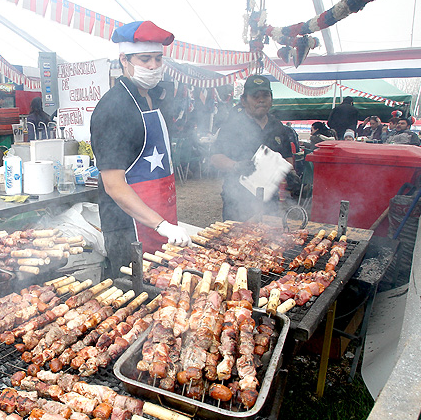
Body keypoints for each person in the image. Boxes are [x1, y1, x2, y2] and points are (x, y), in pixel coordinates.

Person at [90, 21, 190, 276]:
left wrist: (164, 223)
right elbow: (114, 185)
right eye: (145, 59)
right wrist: (161, 225)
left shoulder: (152, 96)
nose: (153, 66)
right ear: (124, 59)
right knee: (136, 297)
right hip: (128, 228)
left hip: (159, 213)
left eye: (158, 59)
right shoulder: (114, 108)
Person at [210, 75, 294, 221]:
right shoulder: (232, 126)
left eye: (265, 96)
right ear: (244, 100)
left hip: (269, 200)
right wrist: (236, 166)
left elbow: (288, 158)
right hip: (237, 199)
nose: (261, 100)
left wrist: (289, 173)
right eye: (255, 96)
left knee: (269, 240)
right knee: (235, 242)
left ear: (271, 99)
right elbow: (215, 158)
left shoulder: (278, 127)